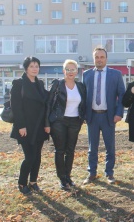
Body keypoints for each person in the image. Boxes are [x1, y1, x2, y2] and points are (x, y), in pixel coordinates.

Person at [82, 47, 125, 184]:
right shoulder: (86, 74)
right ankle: (91, 173)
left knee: (110, 147)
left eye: (102, 57)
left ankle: (109, 173)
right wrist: (83, 114)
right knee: (92, 148)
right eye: (96, 57)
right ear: (93, 59)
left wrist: (119, 113)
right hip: (92, 117)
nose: (99, 60)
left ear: (106, 59)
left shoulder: (115, 74)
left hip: (109, 117)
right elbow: (83, 96)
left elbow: (122, 95)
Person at [10, 56, 50, 195]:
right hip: (25, 128)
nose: (34, 68)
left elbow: (46, 101)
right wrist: (21, 126)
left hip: (39, 126)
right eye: (32, 66)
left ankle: (33, 182)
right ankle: (22, 183)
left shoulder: (39, 84)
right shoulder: (19, 84)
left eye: (37, 66)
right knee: (30, 157)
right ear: (26, 68)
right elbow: (16, 107)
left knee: (37, 156)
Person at [46, 59, 86, 190]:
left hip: (75, 122)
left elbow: (83, 104)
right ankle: (62, 179)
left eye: (73, 69)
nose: (70, 72)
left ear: (77, 71)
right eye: (68, 69)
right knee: (60, 150)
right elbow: (49, 104)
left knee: (70, 150)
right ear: (64, 71)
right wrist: (47, 122)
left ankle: (68, 176)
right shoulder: (57, 84)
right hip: (59, 121)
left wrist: (82, 119)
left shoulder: (80, 86)